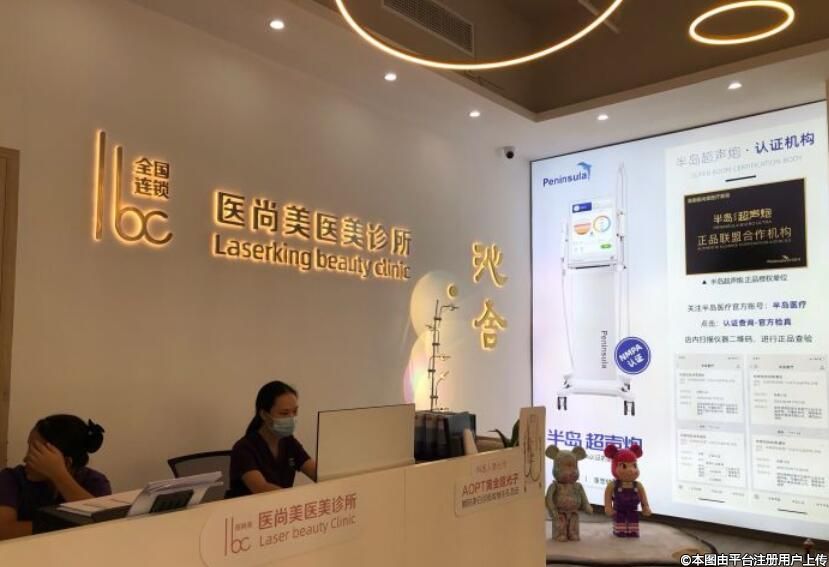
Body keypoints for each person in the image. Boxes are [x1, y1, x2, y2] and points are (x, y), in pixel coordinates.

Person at [0, 414, 111, 540]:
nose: (25, 459)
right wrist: (61, 525)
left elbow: (103, 525)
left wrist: (59, 475)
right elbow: (3, 530)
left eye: (35, 452)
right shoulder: (11, 478)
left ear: (66, 463)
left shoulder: (95, 481)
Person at [228, 381, 316, 497]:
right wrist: (296, 498)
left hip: (282, 505)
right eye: (284, 413)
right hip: (252, 507)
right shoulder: (244, 448)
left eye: (295, 411)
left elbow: (315, 472)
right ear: (264, 414)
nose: (291, 417)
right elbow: (261, 488)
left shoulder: (289, 442)